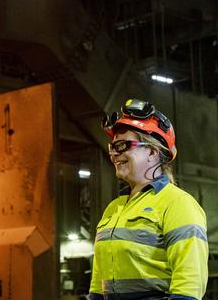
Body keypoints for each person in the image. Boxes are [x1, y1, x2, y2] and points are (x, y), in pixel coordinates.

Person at [88, 99, 208, 300]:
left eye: (123, 145)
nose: (115, 154)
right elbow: (99, 282)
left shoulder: (177, 203)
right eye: (113, 147)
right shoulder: (113, 209)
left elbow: (189, 284)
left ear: (152, 152)